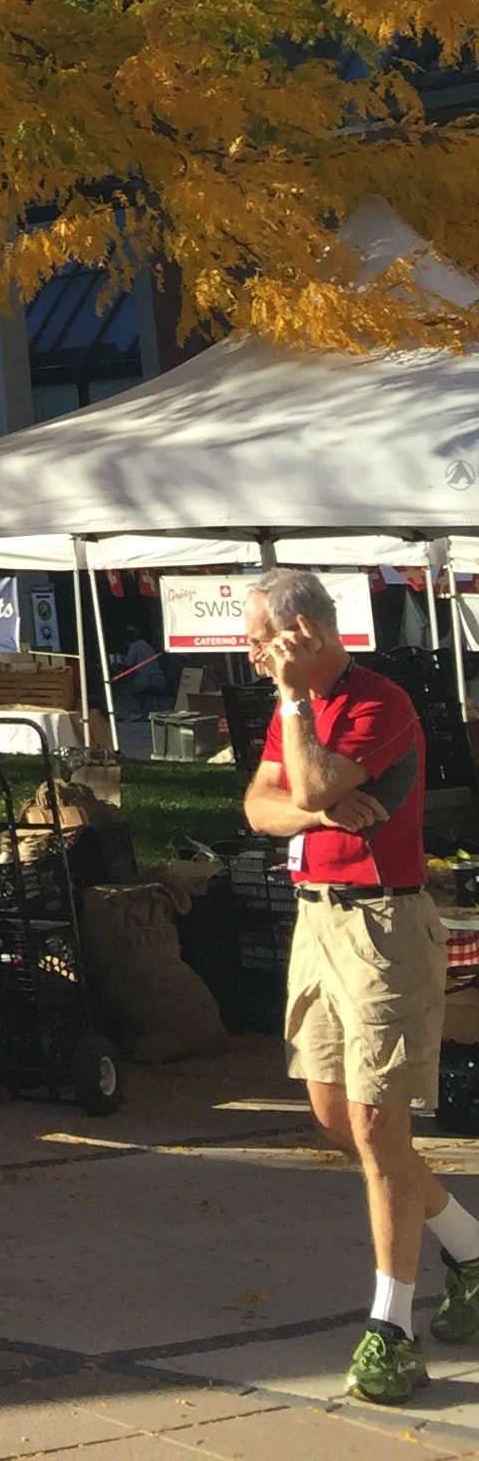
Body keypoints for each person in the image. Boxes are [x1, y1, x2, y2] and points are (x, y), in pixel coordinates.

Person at [241, 569, 475, 1405]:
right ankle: (470, 1248)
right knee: (338, 1121)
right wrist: (320, 812)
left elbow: (298, 782)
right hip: (316, 920)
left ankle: (390, 1326)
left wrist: (299, 711)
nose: (252, 648)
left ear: (304, 631)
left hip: (381, 926)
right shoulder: (290, 704)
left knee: (380, 1131)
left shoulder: (378, 702)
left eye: (261, 633)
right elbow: (263, 806)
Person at [119, 626, 168, 708]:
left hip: (146, 679)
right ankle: (147, 710)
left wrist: (118, 666)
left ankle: (137, 712)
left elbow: (128, 665)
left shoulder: (134, 646)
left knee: (125, 691)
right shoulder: (147, 645)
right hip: (159, 678)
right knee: (146, 695)